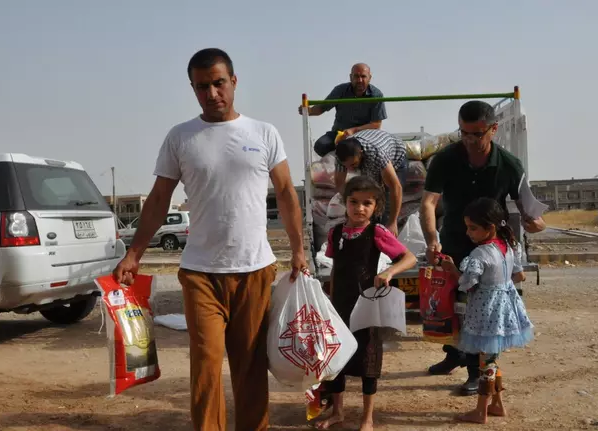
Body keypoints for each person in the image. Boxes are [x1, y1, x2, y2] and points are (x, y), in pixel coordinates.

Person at [112, 48, 307, 431]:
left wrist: (299, 250)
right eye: (202, 87)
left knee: (250, 364)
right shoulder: (181, 137)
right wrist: (134, 253)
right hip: (200, 271)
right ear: (193, 89)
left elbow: (285, 193)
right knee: (205, 363)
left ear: (233, 82)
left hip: (254, 269)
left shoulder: (263, 133)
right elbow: (158, 199)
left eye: (219, 83)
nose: (212, 93)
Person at [420, 100, 546, 395]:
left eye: (477, 134)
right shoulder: (445, 159)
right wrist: (431, 240)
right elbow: (428, 202)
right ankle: (455, 356)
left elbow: (531, 212)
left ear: (494, 129)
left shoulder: (510, 165)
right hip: (454, 240)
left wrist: (535, 224)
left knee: (484, 310)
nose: (470, 140)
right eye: (464, 133)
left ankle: (479, 373)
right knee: (454, 304)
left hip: (491, 249)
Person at [316, 175, 417, 431]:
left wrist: (388, 272)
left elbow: (409, 258)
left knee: (368, 361)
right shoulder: (336, 233)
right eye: (354, 202)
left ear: (376, 207)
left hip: (367, 307)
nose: (359, 208)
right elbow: (335, 266)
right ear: (345, 203)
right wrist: (327, 299)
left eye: (366, 203)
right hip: (339, 306)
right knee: (335, 360)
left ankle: (367, 418)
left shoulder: (377, 232)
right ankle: (337, 412)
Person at [437, 197, 534, 424]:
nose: (469, 233)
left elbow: (467, 283)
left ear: (490, 227)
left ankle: (480, 411)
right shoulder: (510, 246)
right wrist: (501, 283)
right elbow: (520, 275)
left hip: (486, 312)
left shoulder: (479, 255)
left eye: (473, 228)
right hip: (505, 310)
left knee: (486, 362)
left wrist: (451, 268)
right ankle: (497, 404)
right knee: (491, 358)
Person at [299, 63, 387, 157]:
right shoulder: (340, 90)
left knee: (374, 151)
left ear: (369, 78)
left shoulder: (377, 95)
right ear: (350, 77)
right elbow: (321, 108)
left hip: (364, 136)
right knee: (320, 146)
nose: (360, 80)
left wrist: (353, 131)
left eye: (363, 76)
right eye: (356, 76)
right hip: (339, 134)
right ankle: (340, 161)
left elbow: (376, 124)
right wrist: (308, 111)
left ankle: (351, 161)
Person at [334, 129, 408, 237]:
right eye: (347, 166)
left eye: (353, 164)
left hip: (396, 153)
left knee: (385, 204)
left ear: (361, 153)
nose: (350, 169)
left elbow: (396, 187)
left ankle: (384, 238)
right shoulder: (341, 156)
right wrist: (350, 205)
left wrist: (393, 222)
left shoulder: (377, 154)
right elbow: (340, 184)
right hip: (369, 149)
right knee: (367, 194)